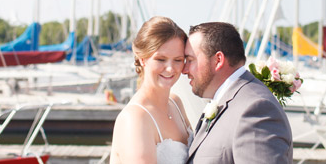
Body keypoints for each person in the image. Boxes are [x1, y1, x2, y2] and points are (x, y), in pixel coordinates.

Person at [183, 22, 293, 163]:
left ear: (218, 60)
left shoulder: (256, 110)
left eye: (190, 60)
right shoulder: (229, 100)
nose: (184, 70)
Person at [110, 16, 193, 164]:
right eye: (161, 59)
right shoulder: (135, 118)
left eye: (178, 60)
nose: (170, 68)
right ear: (143, 59)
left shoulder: (176, 103)